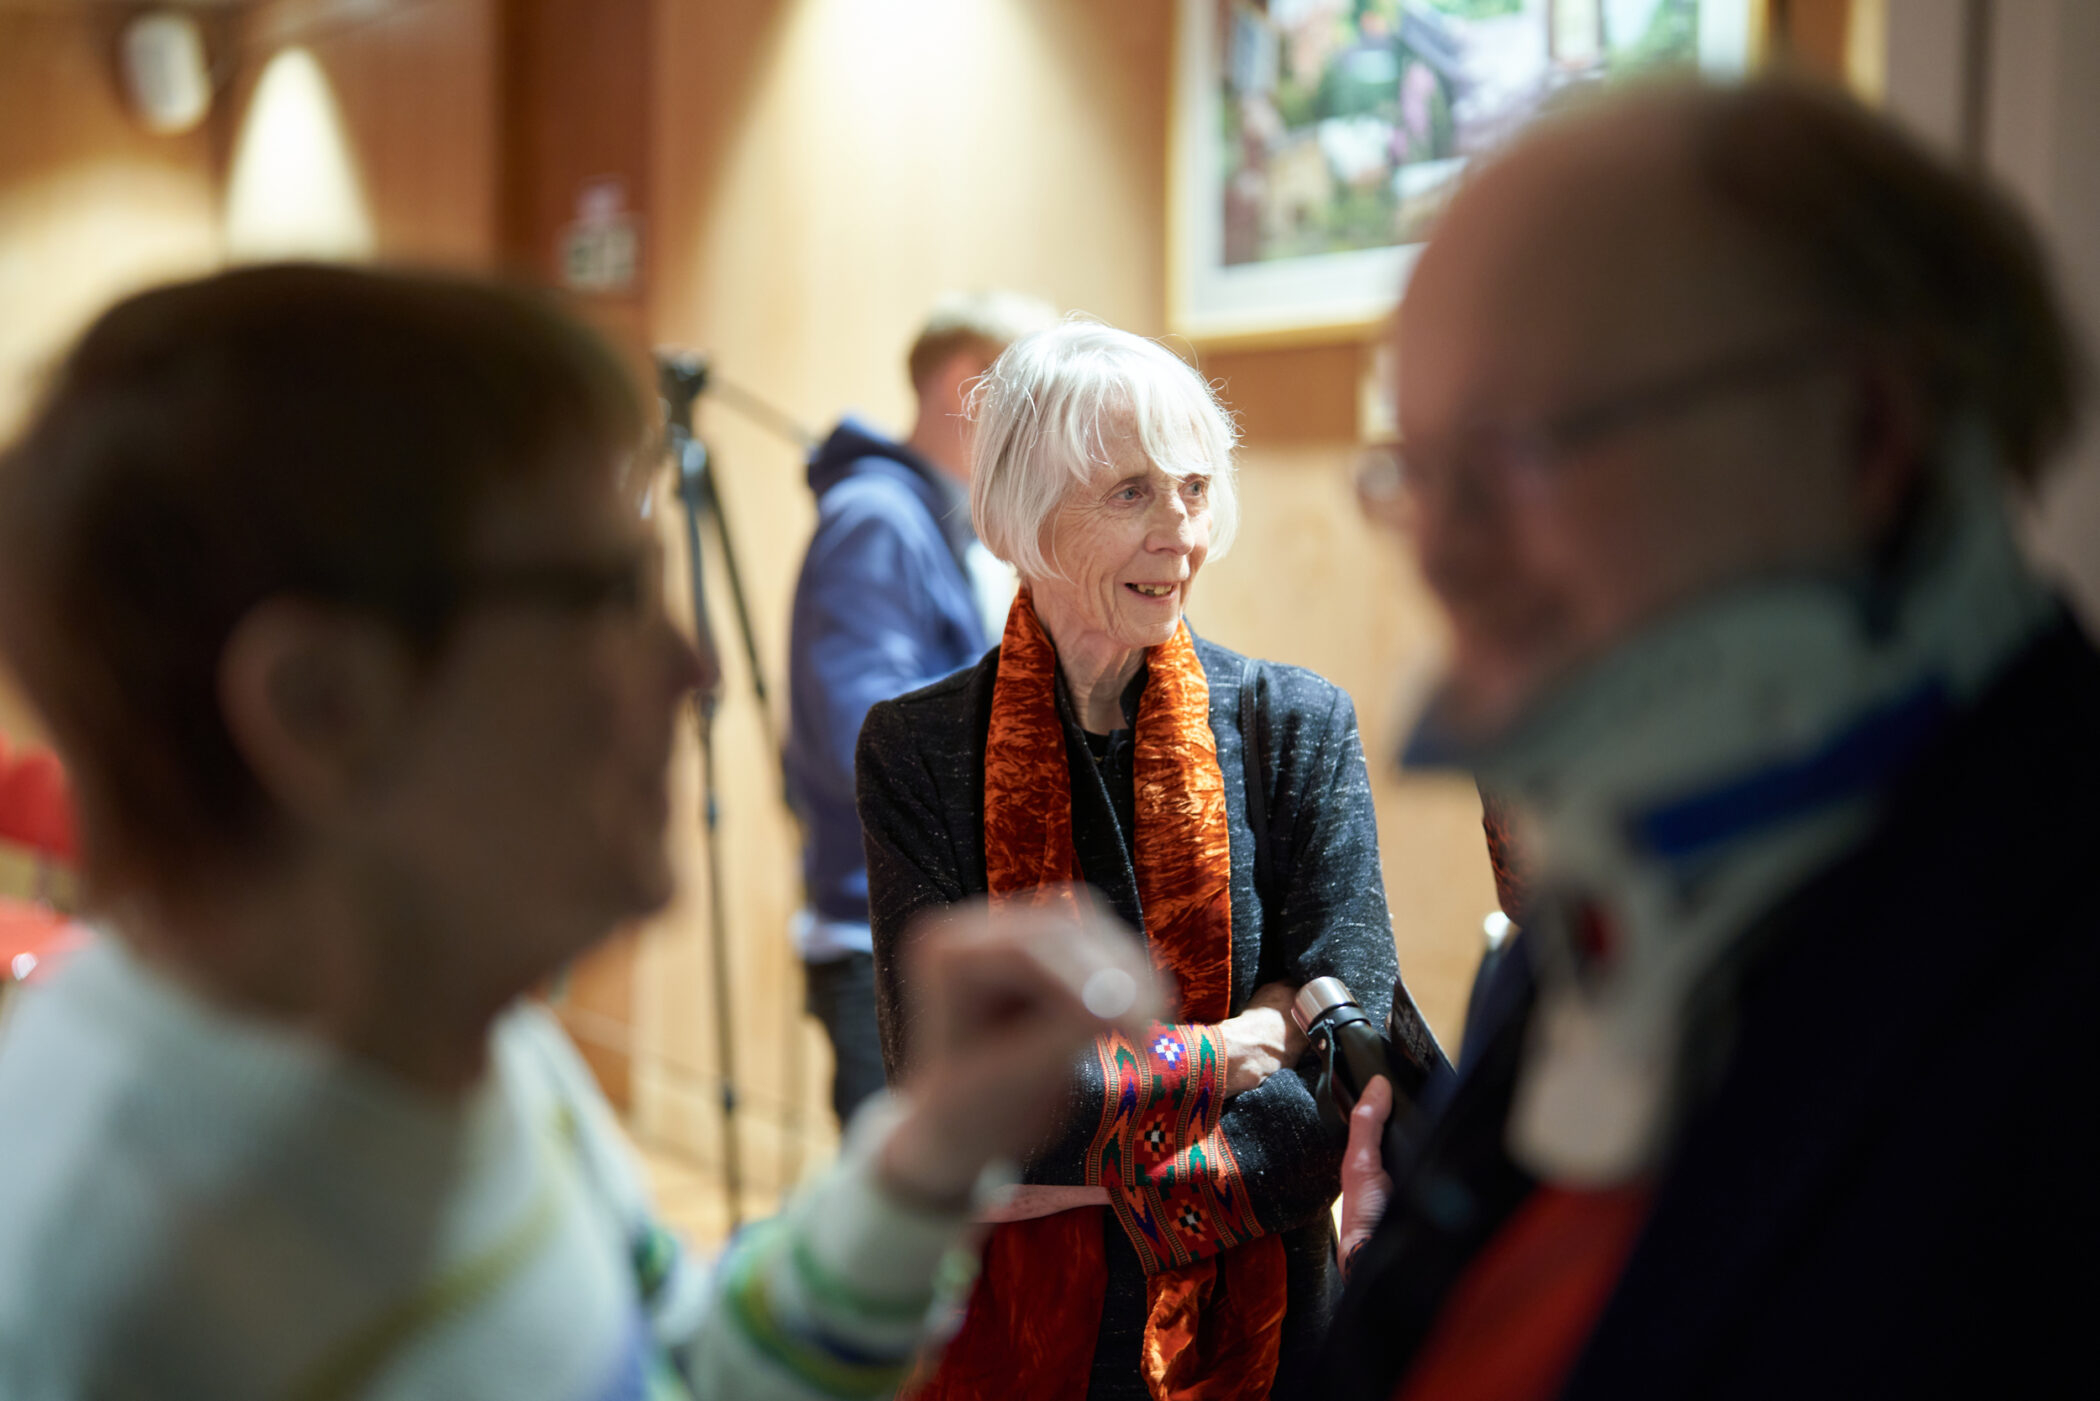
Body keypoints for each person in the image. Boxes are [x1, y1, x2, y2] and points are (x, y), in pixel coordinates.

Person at [0, 264, 1163, 1401]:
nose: (693, 667)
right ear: (324, 707)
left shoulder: (470, 1044)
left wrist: (934, 1148)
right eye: (611, 594)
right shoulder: (95, 1307)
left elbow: (690, 1367)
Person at [1322, 78, 2095, 1400]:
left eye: (1517, 452)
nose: (1444, 560)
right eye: (1417, 470)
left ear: (1864, 434)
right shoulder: (1599, 939)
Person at [856, 320, 1448, 1401]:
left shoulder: (1298, 723)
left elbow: (1344, 1086)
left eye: (1193, 487)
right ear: (1023, 517)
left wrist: (1080, 1169)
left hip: (1270, 1341)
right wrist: (1233, 1048)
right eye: (1130, 492)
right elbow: (949, 1088)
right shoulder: (918, 747)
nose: (1181, 531)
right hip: (1018, 1342)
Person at [785, 290, 1055, 1126]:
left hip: (920, 929)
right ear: (963, 383)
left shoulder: (935, 523)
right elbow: (867, 734)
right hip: (887, 942)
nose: (1046, 427)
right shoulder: (879, 520)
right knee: (899, 1241)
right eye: (1033, 396)